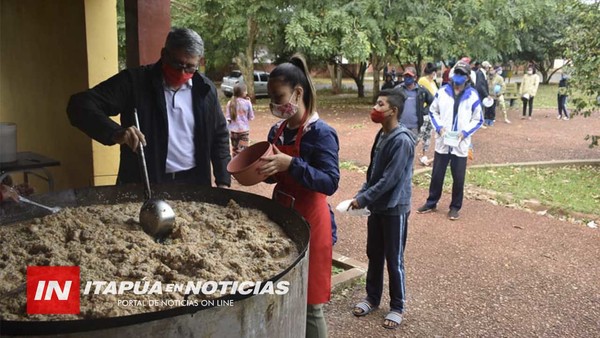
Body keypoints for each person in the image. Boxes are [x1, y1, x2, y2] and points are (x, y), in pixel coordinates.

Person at [67, 27, 231, 187]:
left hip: (194, 182)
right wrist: (115, 133)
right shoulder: (135, 82)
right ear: (164, 54)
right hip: (145, 184)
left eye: (190, 67)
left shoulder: (205, 89)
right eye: (177, 64)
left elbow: (219, 134)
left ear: (199, 62)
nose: (182, 73)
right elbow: (80, 105)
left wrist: (223, 180)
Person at [258, 54, 340, 338]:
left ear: (298, 92)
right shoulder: (277, 131)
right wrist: (265, 171)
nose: (275, 104)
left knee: (310, 303)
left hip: (312, 222)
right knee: (281, 291)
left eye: (279, 96)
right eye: (270, 98)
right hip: (280, 219)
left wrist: (291, 164)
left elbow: (330, 181)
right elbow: (274, 173)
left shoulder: (322, 134)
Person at [349, 89, 415, 330]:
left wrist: (364, 198)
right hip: (377, 206)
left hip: (395, 208)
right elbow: (374, 171)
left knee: (394, 258)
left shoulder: (402, 141)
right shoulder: (382, 134)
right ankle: (372, 298)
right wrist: (361, 193)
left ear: (393, 111)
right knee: (374, 253)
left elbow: (390, 179)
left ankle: (397, 306)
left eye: (380, 104)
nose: (375, 109)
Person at [416, 60, 483, 220]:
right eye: (456, 73)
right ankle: (431, 202)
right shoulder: (443, 91)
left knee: (458, 178)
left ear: (467, 77)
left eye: (462, 74)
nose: (458, 77)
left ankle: (455, 207)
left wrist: (465, 132)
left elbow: (478, 119)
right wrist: (439, 128)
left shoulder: (472, 95)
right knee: (437, 175)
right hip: (443, 142)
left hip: (460, 144)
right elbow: (433, 111)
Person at [393, 68, 434, 139]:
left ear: (415, 77)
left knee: (411, 147)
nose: (407, 78)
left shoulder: (421, 91)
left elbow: (433, 102)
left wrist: (424, 111)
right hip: (399, 126)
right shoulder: (397, 90)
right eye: (405, 76)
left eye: (410, 76)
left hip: (415, 127)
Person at [417, 63, 439, 166]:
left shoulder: (433, 82)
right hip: (425, 111)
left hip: (432, 112)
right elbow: (430, 95)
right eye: (434, 72)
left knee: (428, 135)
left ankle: (424, 155)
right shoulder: (423, 81)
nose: (435, 74)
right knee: (420, 133)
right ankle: (408, 153)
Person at [225, 84, 254, 157]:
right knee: (243, 151)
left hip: (233, 131)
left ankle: (234, 166)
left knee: (235, 150)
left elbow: (228, 118)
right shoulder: (247, 103)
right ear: (243, 92)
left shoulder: (230, 103)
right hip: (243, 131)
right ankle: (242, 167)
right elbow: (251, 117)